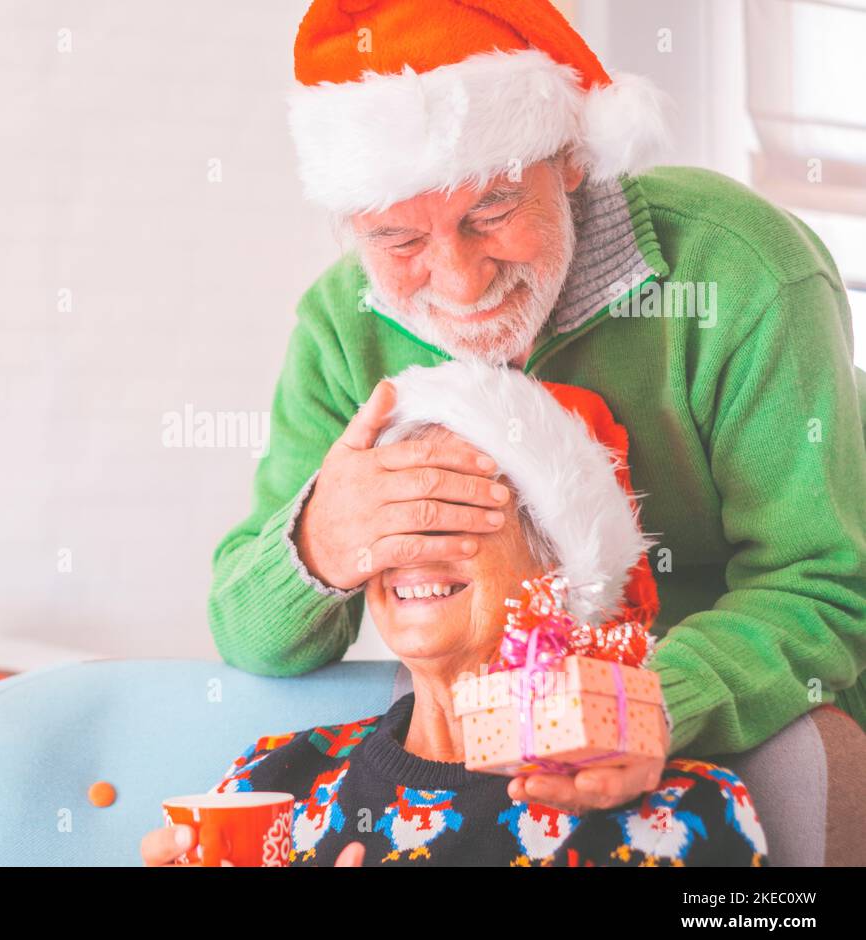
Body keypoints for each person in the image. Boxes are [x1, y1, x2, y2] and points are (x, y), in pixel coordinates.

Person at [209, 0, 866, 817]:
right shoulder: (341, 325)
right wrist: (317, 541)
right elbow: (245, 629)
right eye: (398, 241)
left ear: (570, 159)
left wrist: (637, 706)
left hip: (746, 750)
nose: (459, 281)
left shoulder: (743, 272)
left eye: (491, 211)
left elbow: (824, 588)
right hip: (475, 767)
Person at [152, 362, 768, 866]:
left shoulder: (680, 814)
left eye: (451, 508)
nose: (411, 549)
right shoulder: (266, 781)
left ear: (556, 563)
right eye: (387, 517)